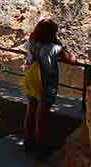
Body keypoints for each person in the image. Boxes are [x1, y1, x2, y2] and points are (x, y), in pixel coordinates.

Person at [23, 19, 78, 154]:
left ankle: (27, 142)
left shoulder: (31, 43)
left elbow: (26, 50)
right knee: (42, 116)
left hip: (31, 80)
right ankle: (41, 147)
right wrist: (60, 44)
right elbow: (72, 60)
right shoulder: (55, 48)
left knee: (30, 111)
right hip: (46, 84)